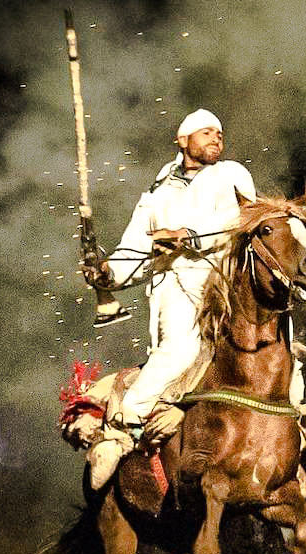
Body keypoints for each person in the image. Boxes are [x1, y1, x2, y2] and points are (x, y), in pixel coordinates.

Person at [86, 108, 257, 489]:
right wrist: (109, 274)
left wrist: (189, 234)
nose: (217, 138)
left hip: (220, 288)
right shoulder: (157, 190)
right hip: (170, 291)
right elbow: (136, 245)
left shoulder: (230, 174)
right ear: (183, 140)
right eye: (207, 132)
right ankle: (123, 431)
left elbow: (240, 221)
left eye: (220, 132)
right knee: (178, 351)